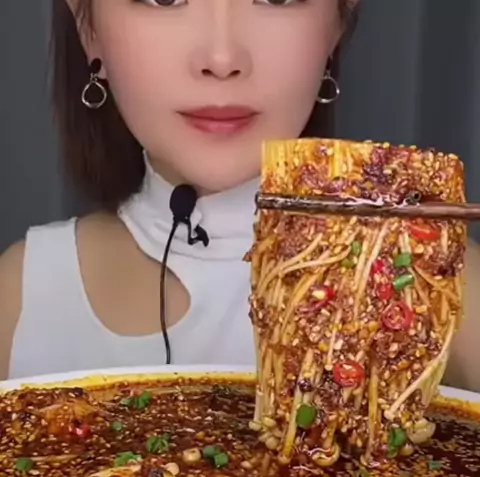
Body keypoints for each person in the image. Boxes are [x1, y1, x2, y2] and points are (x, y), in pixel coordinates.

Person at [0, 0, 478, 390]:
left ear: (339, 21)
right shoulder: (21, 294)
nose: (222, 59)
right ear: (88, 27)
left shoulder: (438, 283)